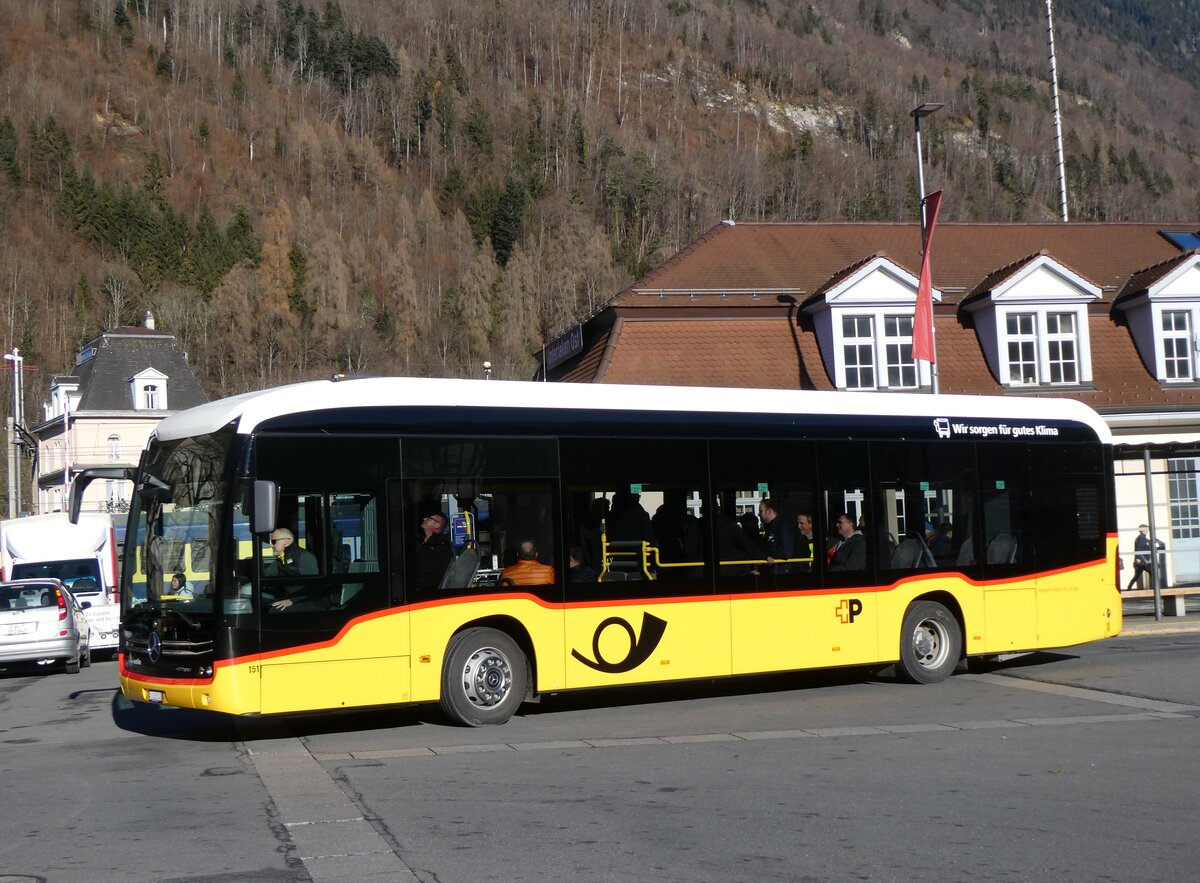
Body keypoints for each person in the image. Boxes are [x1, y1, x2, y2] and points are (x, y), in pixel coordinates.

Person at [265, 528, 321, 610]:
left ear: (286, 542)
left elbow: (313, 585)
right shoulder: (281, 559)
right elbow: (267, 574)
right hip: (291, 598)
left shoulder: (304, 556)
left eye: (273, 541)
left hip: (308, 601)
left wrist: (291, 600)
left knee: (273, 612)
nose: (271, 545)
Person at [758, 498, 797, 575]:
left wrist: (769, 557)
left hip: (780, 573)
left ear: (769, 512)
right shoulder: (769, 528)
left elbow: (786, 553)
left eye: (761, 511)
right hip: (771, 572)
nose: (759, 514)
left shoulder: (783, 527)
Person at [415, 513, 453, 589]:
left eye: (429, 518)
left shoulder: (442, 547)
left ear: (437, 525)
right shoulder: (418, 540)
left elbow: (438, 574)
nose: (424, 519)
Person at [1127, 524, 1165, 590]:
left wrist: (1157, 547)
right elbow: (1138, 549)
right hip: (1144, 561)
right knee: (1153, 574)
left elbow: (1148, 548)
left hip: (1144, 561)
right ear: (1142, 530)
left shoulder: (1143, 538)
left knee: (1137, 576)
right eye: (1146, 528)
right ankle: (1156, 589)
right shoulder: (1141, 539)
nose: (1147, 530)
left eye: (1147, 528)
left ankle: (1129, 587)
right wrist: (1138, 559)